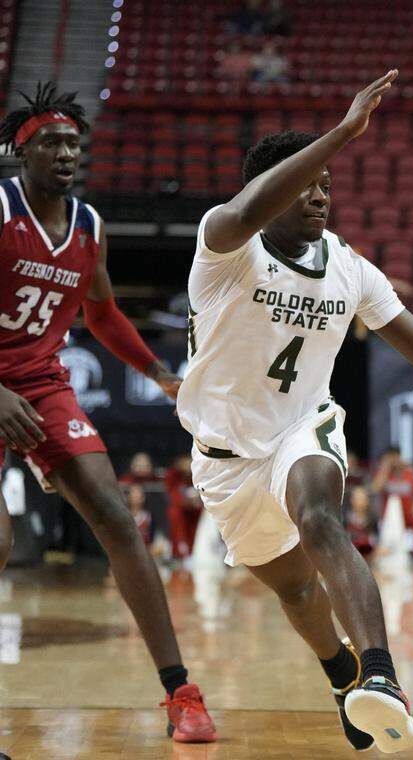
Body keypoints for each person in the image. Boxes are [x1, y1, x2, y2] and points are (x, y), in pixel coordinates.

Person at [176, 72, 413, 755]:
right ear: (273, 190)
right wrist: (341, 134)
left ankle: (382, 676)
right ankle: (344, 674)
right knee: (294, 593)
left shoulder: (349, 267)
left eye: (326, 185)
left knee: (319, 515)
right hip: (225, 457)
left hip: (302, 427)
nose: (320, 195)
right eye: (307, 183)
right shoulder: (224, 247)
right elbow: (245, 209)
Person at [0, 82, 217, 742]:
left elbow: (102, 313)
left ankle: (181, 692)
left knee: (116, 514)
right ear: (20, 151)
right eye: (52, 142)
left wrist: (159, 374)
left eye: (74, 142)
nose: (67, 152)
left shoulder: (90, 225)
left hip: (40, 383)